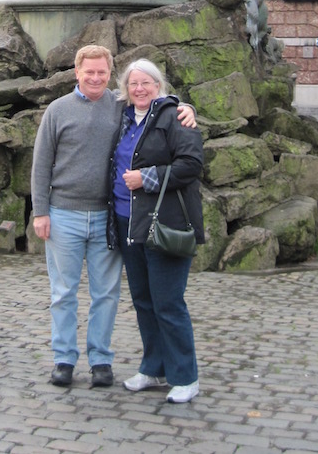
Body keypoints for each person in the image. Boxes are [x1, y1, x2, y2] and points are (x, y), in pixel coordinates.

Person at [31, 45, 196, 388]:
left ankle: (101, 360)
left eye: (101, 72)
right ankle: (63, 359)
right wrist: (41, 212)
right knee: (63, 293)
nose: (95, 78)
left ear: (109, 75)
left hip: (107, 216)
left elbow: (154, 103)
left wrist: (185, 108)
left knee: (106, 294)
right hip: (64, 214)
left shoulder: (118, 107)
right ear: (76, 72)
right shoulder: (58, 110)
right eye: (88, 72)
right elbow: (41, 164)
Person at [111, 58, 204, 404]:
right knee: (144, 302)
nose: (140, 89)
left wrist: (146, 178)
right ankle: (153, 367)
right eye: (134, 83)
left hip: (165, 223)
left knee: (168, 302)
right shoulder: (122, 117)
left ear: (158, 86)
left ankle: (185, 376)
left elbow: (191, 163)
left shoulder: (174, 116)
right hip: (128, 222)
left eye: (146, 83)